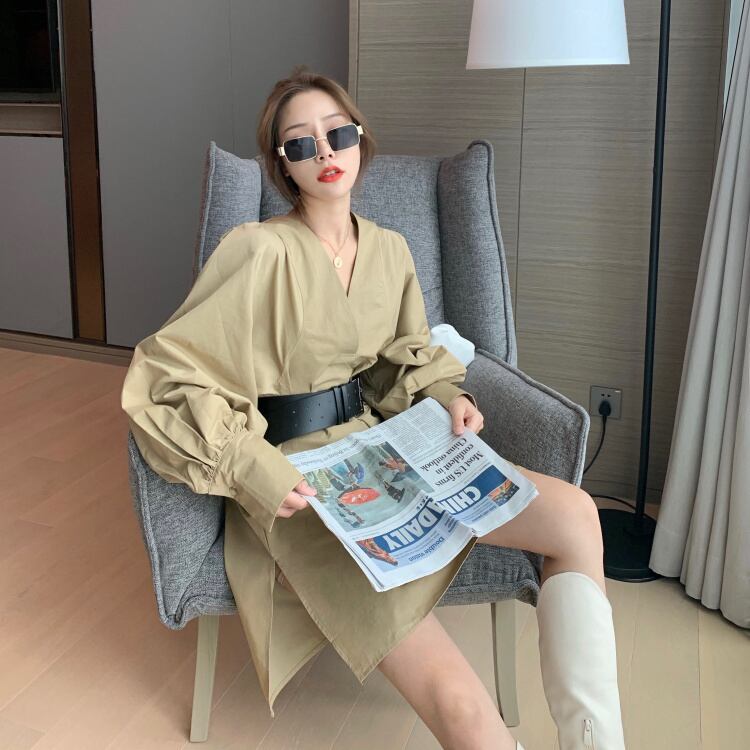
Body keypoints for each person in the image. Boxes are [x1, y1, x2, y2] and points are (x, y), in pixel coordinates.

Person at [120, 64, 626, 750]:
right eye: (301, 143)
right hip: (298, 483)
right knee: (463, 707)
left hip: (384, 446)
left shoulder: (390, 249)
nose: (325, 152)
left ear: (360, 138)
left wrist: (450, 395)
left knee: (575, 514)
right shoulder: (256, 251)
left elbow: (402, 358)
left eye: (337, 133)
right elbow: (164, 376)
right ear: (283, 164)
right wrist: (252, 470)